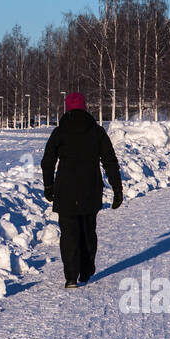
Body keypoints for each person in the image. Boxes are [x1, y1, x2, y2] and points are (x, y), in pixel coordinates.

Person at [41, 92, 123, 289]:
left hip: (66, 190)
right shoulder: (96, 131)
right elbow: (110, 161)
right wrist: (117, 189)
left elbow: (48, 161)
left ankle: (71, 277)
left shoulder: (59, 132)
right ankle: (86, 270)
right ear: (85, 107)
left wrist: (48, 185)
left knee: (69, 234)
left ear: (67, 108)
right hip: (90, 189)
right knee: (88, 231)